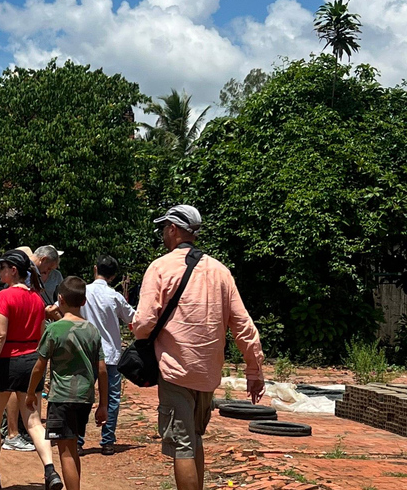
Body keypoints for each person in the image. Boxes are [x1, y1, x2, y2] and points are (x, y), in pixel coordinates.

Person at [132, 205, 265, 490]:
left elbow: (143, 322)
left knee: (182, 446)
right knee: (194, 438)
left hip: (175, 370)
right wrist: (254, 371)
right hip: (207, 375)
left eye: (164, 228)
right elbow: (243, 324)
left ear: (173, 229)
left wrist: (142, 334)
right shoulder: (220, 271)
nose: (163, 234)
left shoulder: (160, 267)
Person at [0, 249, 63, 490]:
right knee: (33, 422)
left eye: (2, 267)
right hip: (31, 361)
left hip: (7, 362)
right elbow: (42, 334)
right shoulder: (38, 298)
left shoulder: (5, 296)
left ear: (14, 271)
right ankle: (50, 470)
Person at [26, 276, 108, 490]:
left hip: (61, 396)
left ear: (59, 299)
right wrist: (104, 404)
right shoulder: (92, 330)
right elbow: (102, 370)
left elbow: (39, 366)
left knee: (65, 451)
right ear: (84, 301)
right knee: (72, 448)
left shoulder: (54, 330)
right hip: (84, 397)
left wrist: (29, 393)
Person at [78, 255, 135, 456]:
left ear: (95, 269)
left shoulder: (83, 292)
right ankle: (108, 441)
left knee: (83, 396)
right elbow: (133, 318)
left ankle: (77, 440)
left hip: (86, 352)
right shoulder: (115, 297)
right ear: (113, 276)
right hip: (110, 355)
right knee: (112, 398)